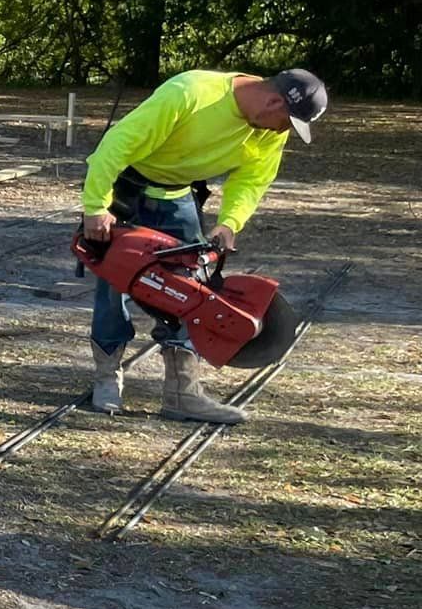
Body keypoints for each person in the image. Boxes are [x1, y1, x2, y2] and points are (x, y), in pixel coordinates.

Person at [81, 67, 328, 423]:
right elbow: (116, 145)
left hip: (179, 195)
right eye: (286, 122)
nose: (284, 131)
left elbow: (253, 178)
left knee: (192, 291)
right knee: (114, 284)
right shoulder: (191, 93)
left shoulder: (269, 129)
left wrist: (230, 222)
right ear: (273, 100)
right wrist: (96, 207)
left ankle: (182, 394)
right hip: (125, 190)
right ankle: (107, 379)